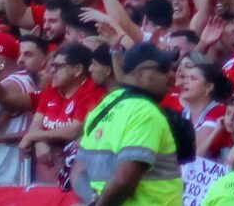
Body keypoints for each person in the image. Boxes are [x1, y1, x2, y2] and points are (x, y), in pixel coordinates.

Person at [75, 43, 184, 206]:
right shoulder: (146, 112)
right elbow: (123, 181)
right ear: (140, 74)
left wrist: (93, 201)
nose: (172, 76)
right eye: (163, 69)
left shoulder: (106, 104)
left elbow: (78, 172)